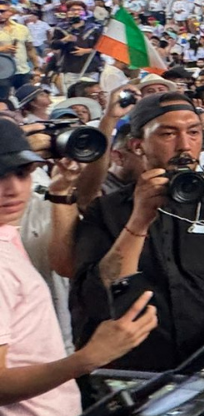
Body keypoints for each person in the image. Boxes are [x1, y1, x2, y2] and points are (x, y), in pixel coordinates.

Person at [70, 93, 204, 371]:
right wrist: (138, 222)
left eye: (194, 133)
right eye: (168, 134)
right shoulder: (106, 212)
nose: (184, 145)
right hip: (133, 374)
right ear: (137, 145)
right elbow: (94, 297)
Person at [0, 120, 158, 414]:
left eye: (22, 173)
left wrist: (61, 189)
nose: (13, 188)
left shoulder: (7, 235)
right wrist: (90, 357)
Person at [0, 0, 39, 101]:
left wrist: (36, 67)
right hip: (2, 72)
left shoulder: (22, 28)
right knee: (3, 102)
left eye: (2, 11)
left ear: (10, 12)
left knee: (27, 100)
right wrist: (2, 49)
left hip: (22, 70)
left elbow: (30, 48)